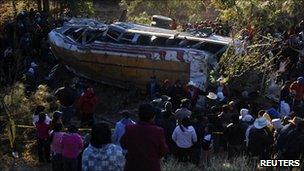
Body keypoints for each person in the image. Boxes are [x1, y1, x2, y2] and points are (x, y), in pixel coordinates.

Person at [120, 103, 168, 171]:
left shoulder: (129, 128)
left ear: (138, 115)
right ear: (153, 116)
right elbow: (163, 150)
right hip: (151, 166)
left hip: (132, 166)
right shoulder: (158, 131)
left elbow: (123, 144)